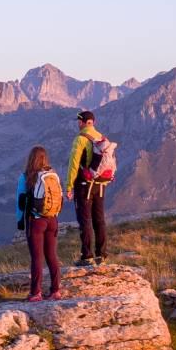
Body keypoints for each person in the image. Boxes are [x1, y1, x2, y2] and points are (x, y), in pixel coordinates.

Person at [17, 145, 63, 300]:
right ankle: (56, 290)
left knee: (37, 257)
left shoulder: (26, 177)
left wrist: (20, 221)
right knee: (52, 255)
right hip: (53, 220)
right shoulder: (52, 175)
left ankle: (36, 292)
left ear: (31, 159)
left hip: (35, 221)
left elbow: (21, 202)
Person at [65, 110, 111, 265]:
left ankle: (87, 256)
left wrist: (69, 186)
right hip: (101, 184)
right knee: (99, 219)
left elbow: (73, 164)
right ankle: (102, 254)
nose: (78, 124)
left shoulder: (80, 139)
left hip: (84, 185)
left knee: (85, 219)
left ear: (81, 122)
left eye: (78, 122)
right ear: (94, 122)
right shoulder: (101, 137)